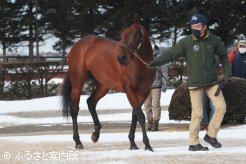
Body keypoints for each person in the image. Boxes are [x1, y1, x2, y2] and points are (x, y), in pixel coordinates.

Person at [148, 13, 231, 151]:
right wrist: (155, 62)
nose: (194, 28)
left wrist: (227, 73)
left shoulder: (214, 40)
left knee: (221, 107)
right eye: (192, 26)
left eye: (197, 26)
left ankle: (211, 135)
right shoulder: (186, 42)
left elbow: (223, 56)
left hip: (212, 82)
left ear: (204, 27)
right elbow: (170, 54)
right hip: (195, 83)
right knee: (197, 114)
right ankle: (193, 143)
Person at [144, 39, 169, 131]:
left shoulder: (160, 56)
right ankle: (149, 122)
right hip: (146, 86)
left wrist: (165, 82)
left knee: (156, 104)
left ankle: (156, 123)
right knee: (147, 105)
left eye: (151, 44)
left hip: (156, 84)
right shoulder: (143, 56)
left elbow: (164, 70)